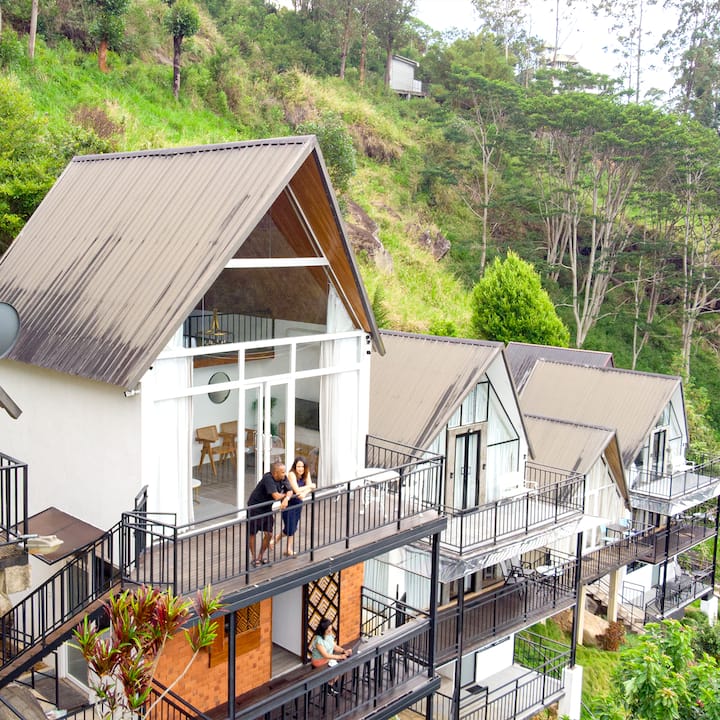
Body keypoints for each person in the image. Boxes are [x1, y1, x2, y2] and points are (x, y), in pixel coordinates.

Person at [247, 461, 292, 567]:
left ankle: (260, 556)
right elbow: (276, 496)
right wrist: (285, 495)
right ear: (275, 473)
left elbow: (290, 490)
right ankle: (254, 558)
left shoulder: (283, 478)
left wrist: (287, 498)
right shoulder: (268, 478)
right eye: (282, 472)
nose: (284, 474)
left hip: (267, 508)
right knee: (252, 533)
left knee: (269, 534)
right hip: (255, 507)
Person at [275, 456, 316, 556]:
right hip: (289, 503)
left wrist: (304, 493)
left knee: (293, 527)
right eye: (298, 466)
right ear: (295, 466)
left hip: (298, 503)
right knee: (290, 527)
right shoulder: (291, 474)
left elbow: (310, 489)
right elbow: (297, 490)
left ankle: (286, 548)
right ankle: (278, 540)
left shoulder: (306, 473)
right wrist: (310, 486)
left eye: (302, 466)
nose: (300, 469)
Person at [309, 618, 353, 695]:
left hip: (328, 660)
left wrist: (344, 651)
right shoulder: (318, 640)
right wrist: (340, 657)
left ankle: (329, 685)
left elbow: (335, 646)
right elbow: (325, 655)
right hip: (319, 662)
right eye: (328, 630)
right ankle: (328, 686)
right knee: (337, 669)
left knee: (342, 668)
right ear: (323, 630)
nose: (330, 632)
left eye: (331, 629)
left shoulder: (329, 636)